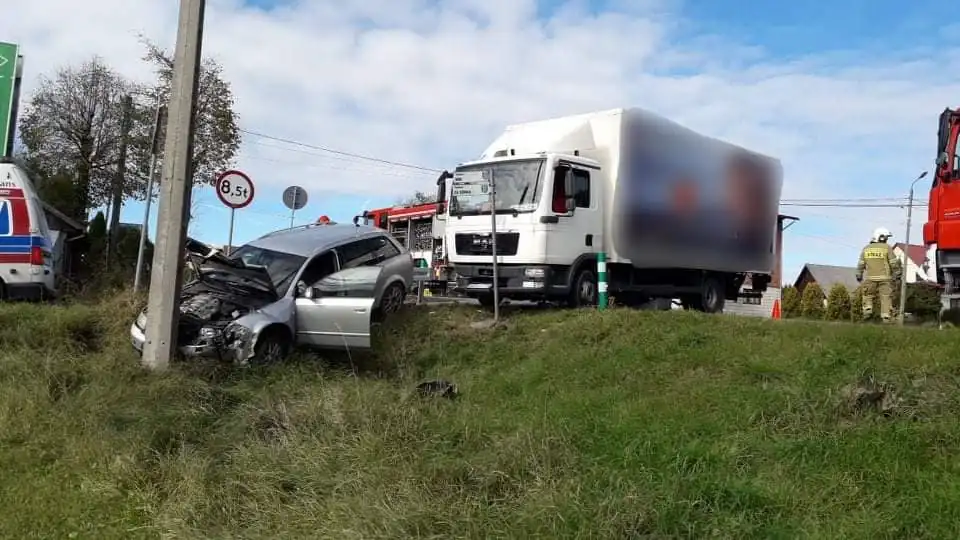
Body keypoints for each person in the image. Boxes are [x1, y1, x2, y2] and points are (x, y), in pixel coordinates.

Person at [856, 227, 902, 322]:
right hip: (885, 278)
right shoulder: (887, 248)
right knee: (886, 297)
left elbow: (861, 264)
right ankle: (886, 317)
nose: (887, 239)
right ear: (881, 237)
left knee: (867, 295)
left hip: (870, 278)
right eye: (886, 237)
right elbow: (893, 263)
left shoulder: (866, 249)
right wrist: (898, 273)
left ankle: (867, 310)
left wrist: (859, 274)